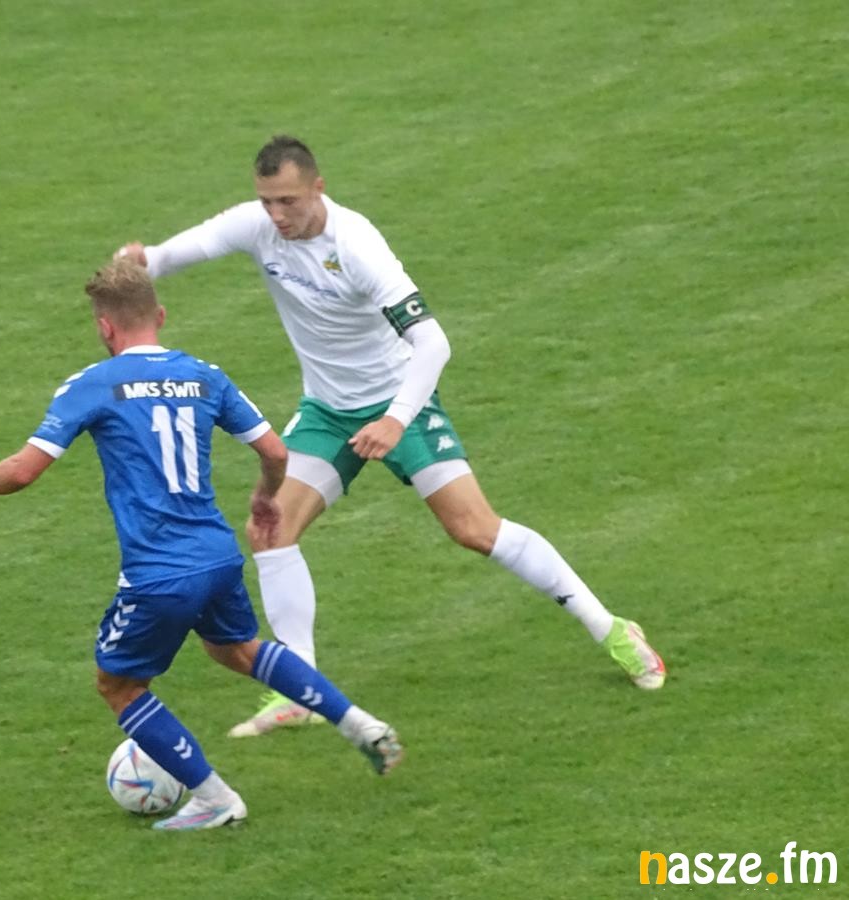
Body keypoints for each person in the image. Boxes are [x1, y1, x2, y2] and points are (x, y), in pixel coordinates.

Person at [115, 135, 666, 738]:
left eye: (288, 201)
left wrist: (395, 419)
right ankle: (300, 690)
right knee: (270, 529)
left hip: (402, 401)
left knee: (474, 529)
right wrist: (141, 261)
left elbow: (433, 342)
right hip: (328, 411)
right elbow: (178, 253)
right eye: (267, 201)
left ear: (318, 188)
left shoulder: (357, 245)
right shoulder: (257, 226)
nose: (276, 214)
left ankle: (613, 629)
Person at [0, 259, 403, 831]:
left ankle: (216, 799)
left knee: (118, 684)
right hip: (216, 554)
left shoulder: (91, 383)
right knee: (237, 649)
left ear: (104, 326)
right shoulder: (203, 375)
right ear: (159, 316)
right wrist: (265, 498)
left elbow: (22, 471)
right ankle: (362, 725)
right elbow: (275, 452)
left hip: (158, 570)